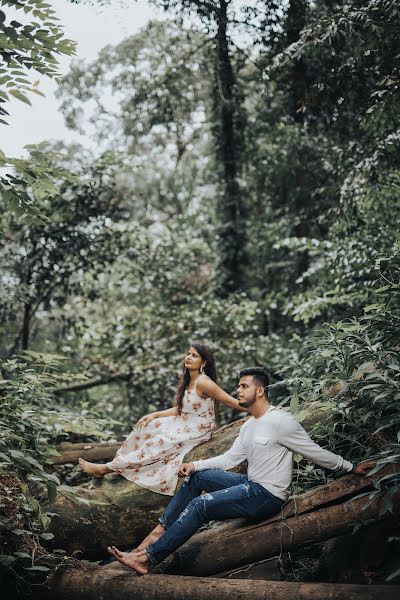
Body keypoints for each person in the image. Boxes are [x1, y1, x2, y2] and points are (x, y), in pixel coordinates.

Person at [106, 366, 376, 574]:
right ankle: (156, 535)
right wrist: (194, 465)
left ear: (260, 391)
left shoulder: (281, 422)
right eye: (237, 386)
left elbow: (314, 451)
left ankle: (149, 558)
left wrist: (350, 466)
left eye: (244, 386)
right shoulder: (248, 426)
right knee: (198, 477)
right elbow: (229, 458)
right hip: (250, 484)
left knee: (202, 505)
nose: (238, 391)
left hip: (267, 496)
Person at [78, 343, 242, 495]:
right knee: (149, 426)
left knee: (156, 441)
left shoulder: (204, 382)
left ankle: (106, 469)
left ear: (203, 363)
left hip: (197, 429)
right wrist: (154, 415)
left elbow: (229, 401)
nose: (188, 357)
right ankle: (119, 463)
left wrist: (257, 408)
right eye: (188, 354)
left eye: (194, 356)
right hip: (184, 422)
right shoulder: (189, 380)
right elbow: (183, 409)